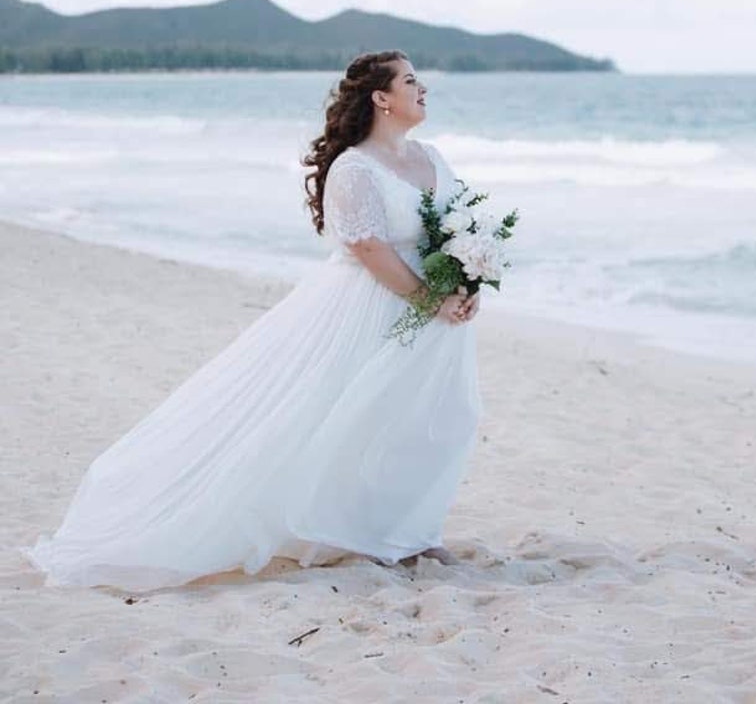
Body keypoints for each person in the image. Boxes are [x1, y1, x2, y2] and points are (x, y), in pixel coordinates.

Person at [22, 51, 482, 592]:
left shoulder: (432, 157)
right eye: (410, 80)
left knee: (433, 418)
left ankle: (413, 531)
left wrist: (469, 281)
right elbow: (368, 247)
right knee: (359, 417)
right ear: (382, 97)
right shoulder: (354, 168)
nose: (422, 88)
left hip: (436, 312)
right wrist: (428, 298)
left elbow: (461, 227)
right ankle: (378, 535)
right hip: (374, 306)